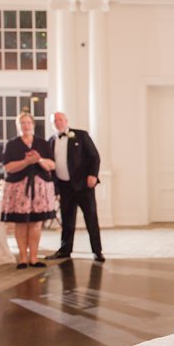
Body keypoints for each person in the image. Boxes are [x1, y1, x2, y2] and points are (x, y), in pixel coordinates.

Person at [0, 110, 57, 269]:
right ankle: (23, 258)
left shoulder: (43, 143)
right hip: (19, 188)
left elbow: (52, 165)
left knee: (36, 223)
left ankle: (34, 257)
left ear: (33, 124)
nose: (25, 126)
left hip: (39, 187)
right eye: (22, 123)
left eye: (28, 123)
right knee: (21, 223)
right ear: (18, 126)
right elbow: (8, 168)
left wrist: (38, 159)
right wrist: (26, 161)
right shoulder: (12, 144)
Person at [47, 110, 104, 262]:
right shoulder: (51, 141)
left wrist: (93, 175)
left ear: (66, 120)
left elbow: (94, 157)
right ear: (52, 124)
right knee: (67, 220)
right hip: (65, 187)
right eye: (55, 121)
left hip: (83, 185)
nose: (58, 122)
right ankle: (65, 250)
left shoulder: (81, 135)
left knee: (91, 218)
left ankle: (97, 251)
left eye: (60, 119)